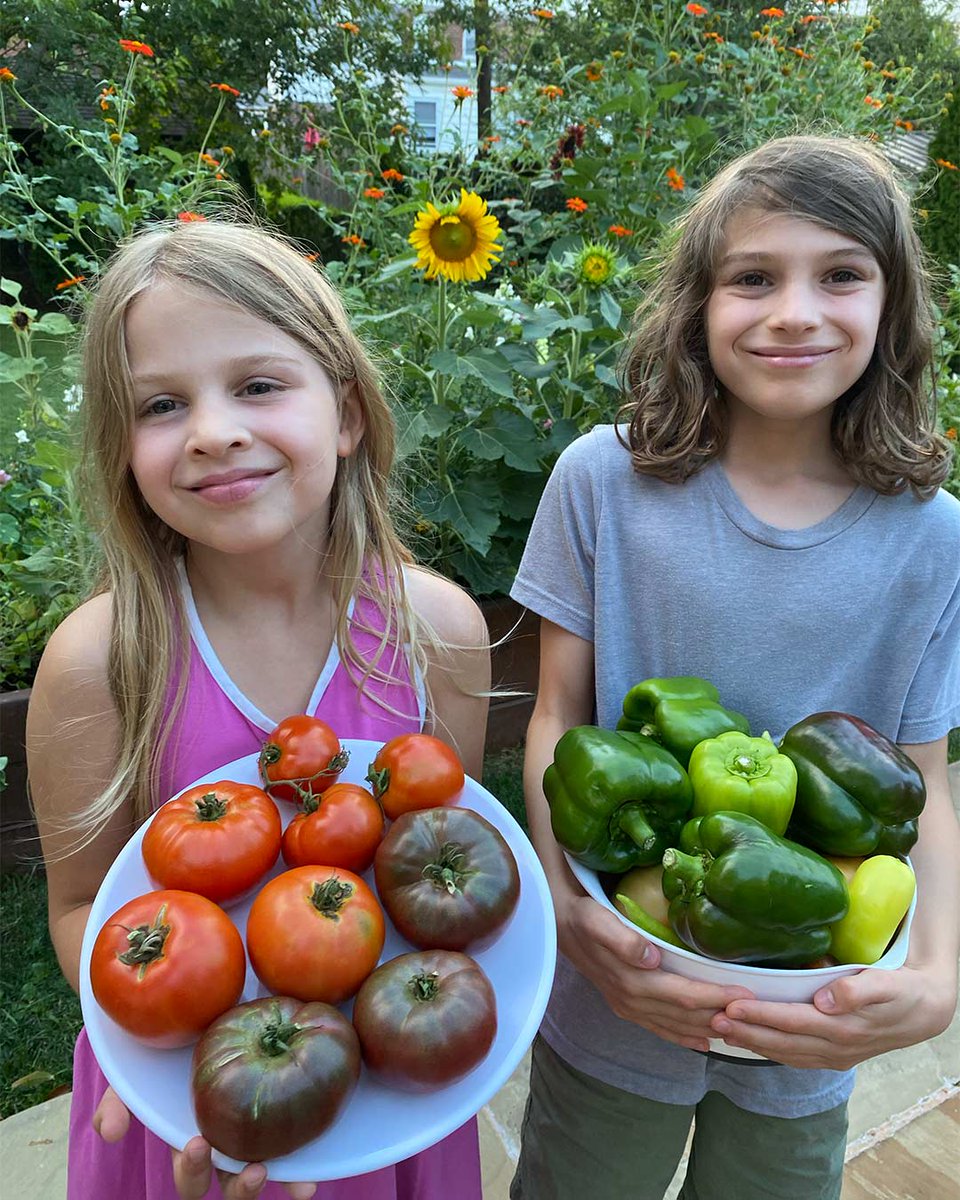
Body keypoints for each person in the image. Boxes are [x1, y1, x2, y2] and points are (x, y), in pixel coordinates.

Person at [508, 134, 960, 1200]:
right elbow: (555, 718)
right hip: (626, 985)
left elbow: (924, 779)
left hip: (812, 1003)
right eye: (753, 276)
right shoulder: (601, 484)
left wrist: (940, 975)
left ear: (893, 309)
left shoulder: (935, 537)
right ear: (695, 307)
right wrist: (572, 918)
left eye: (841, 274)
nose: (795, 310)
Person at [26, 219, 491, 1200]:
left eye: (259, 385)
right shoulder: (101, 660)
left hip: (379, 1100)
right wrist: (145, 1052)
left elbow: (443, 879)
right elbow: (79, 906)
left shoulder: (435, 631)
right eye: (160, 403)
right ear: (123, 450)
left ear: (350, 414)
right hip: (188, 1113)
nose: (211, 430)